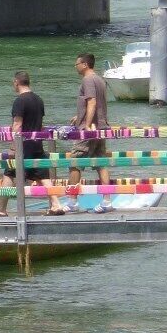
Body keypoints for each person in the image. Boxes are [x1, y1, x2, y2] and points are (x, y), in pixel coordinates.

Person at [0, 71, 67, 217]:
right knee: (43, 175)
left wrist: (13, 146)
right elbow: (40, 125)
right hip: (37, 144)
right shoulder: (39, 100)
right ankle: (56, 204)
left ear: (16, 82)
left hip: (23, 145)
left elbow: (17, 124)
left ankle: (1, 209)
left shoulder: (20, 101)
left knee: (9, 174)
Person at [67, 53, 112, 213]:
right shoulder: (100, 79)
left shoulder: (87, 80)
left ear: (85, 64)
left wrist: (86, 125)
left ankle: (72, 201)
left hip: (90, 129)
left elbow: (92, 101)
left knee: (75, 162)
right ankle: (107, 200)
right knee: (101, 162)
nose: (76, 66)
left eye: (77, 64)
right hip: (101, 127)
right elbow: (96, 104)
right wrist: (78, 116)